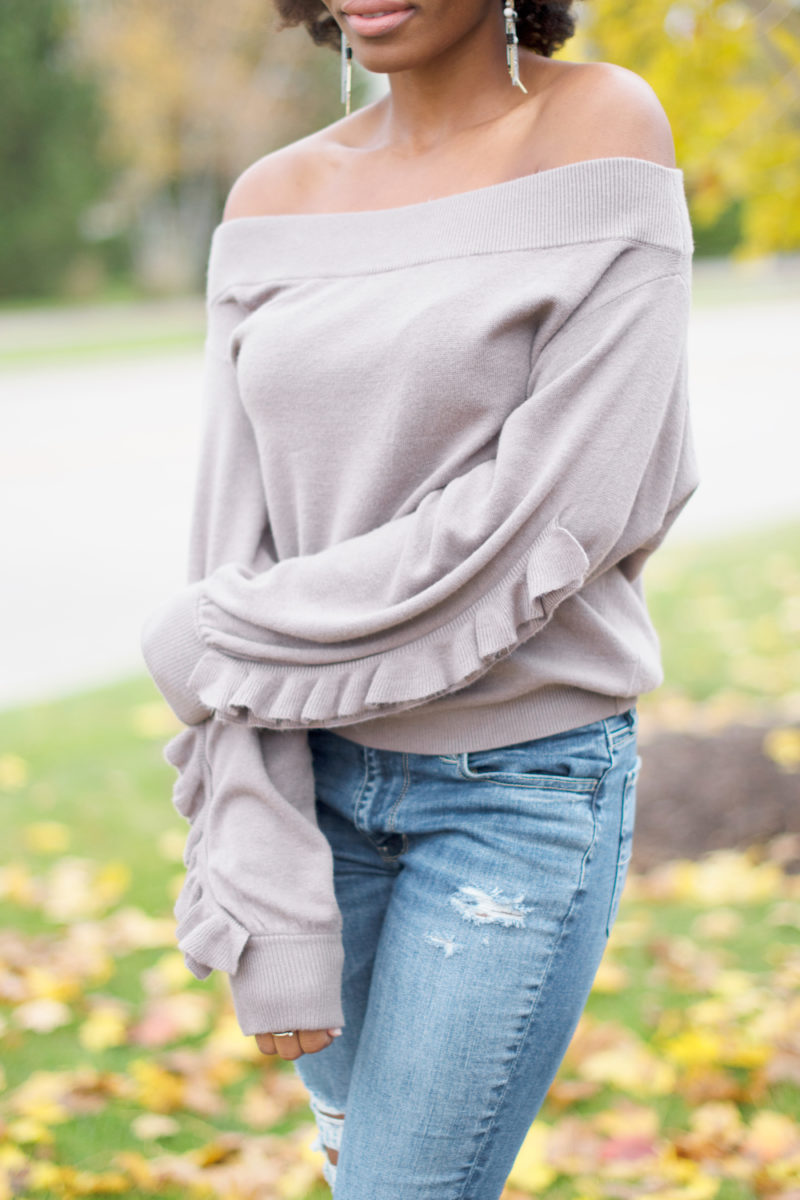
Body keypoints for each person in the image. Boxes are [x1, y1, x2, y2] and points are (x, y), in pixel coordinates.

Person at [140, 0, 700, 1194]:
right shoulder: (269, 200)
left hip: (516, 789)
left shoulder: (601, 126)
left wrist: (222, 642)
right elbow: (231, 544)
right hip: (313, 782)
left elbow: (546, 519)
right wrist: (260, 869)